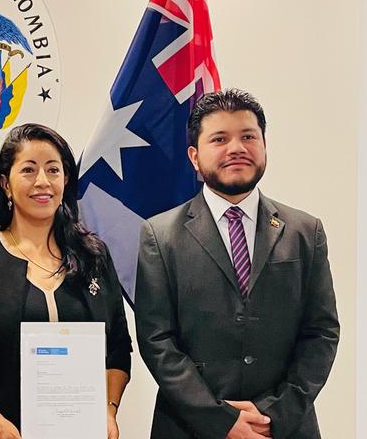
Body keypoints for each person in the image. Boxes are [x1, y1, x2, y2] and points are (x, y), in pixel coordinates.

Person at [135, 89, 339, 439]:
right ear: (194, 157)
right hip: (189, 427)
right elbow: (157, 340)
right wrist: (221, 420)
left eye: (248, 136)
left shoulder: (306, 231)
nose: (236, 148)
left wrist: (274, 413)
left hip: (284, 427)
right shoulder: (160, 235)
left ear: (264, 146)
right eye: (219, 139)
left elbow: (321, 332)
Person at [0, 123, 132, 439]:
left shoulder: (94, 256)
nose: (42, 181)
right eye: (28, 170)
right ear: (5, 183)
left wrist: (108, 410)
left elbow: (118, 348)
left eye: (53, 170)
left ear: (65, 179)